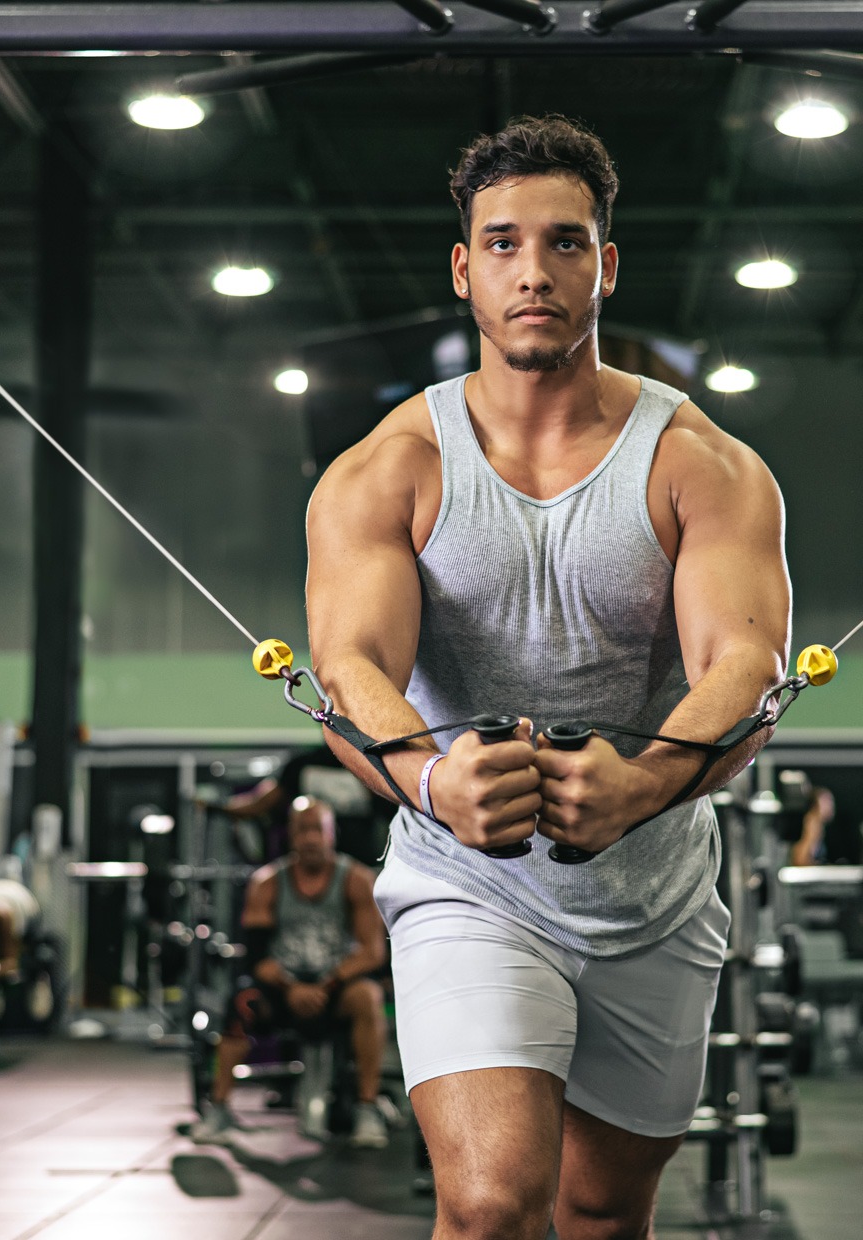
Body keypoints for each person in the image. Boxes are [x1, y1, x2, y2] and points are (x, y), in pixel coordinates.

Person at [305, 116, 790, 1239]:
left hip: (655, 892)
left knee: (603, 1208)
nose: (536, 271)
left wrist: (646, 779)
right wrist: (432, 784)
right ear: (465, 268)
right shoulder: (388, 470)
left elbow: (747, 664)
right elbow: (349, 668)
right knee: (487, 1206)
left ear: (606, 266)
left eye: (566, 243)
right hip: (467, 887)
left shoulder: (701, 465)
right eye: (506, 243)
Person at [193, 797, 391, 1147]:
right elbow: (256, 956)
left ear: (333, 834)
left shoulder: (357, 880)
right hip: (281, 991)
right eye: (303, 830)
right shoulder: (267, 883)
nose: (310, 838)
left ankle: (367, 1108)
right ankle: (219, 1108)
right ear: (290, 835)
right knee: (242, 1001)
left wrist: (326, 985)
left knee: (368, 997)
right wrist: (293, 988)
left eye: (318, 829)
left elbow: (372, 952)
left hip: (336, 990)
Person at [217, 744, 395, 861]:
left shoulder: (374, 765)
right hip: (301, 868)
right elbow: (260, 804)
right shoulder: (302, 765)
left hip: (360, 861)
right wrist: (216, 807)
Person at [789, 786, 837, 866]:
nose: (831, 805)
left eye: (831, 801)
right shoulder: (811, 823)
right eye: (826, 801)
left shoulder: (819, 825)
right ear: (814, 805)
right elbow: (800, 860)